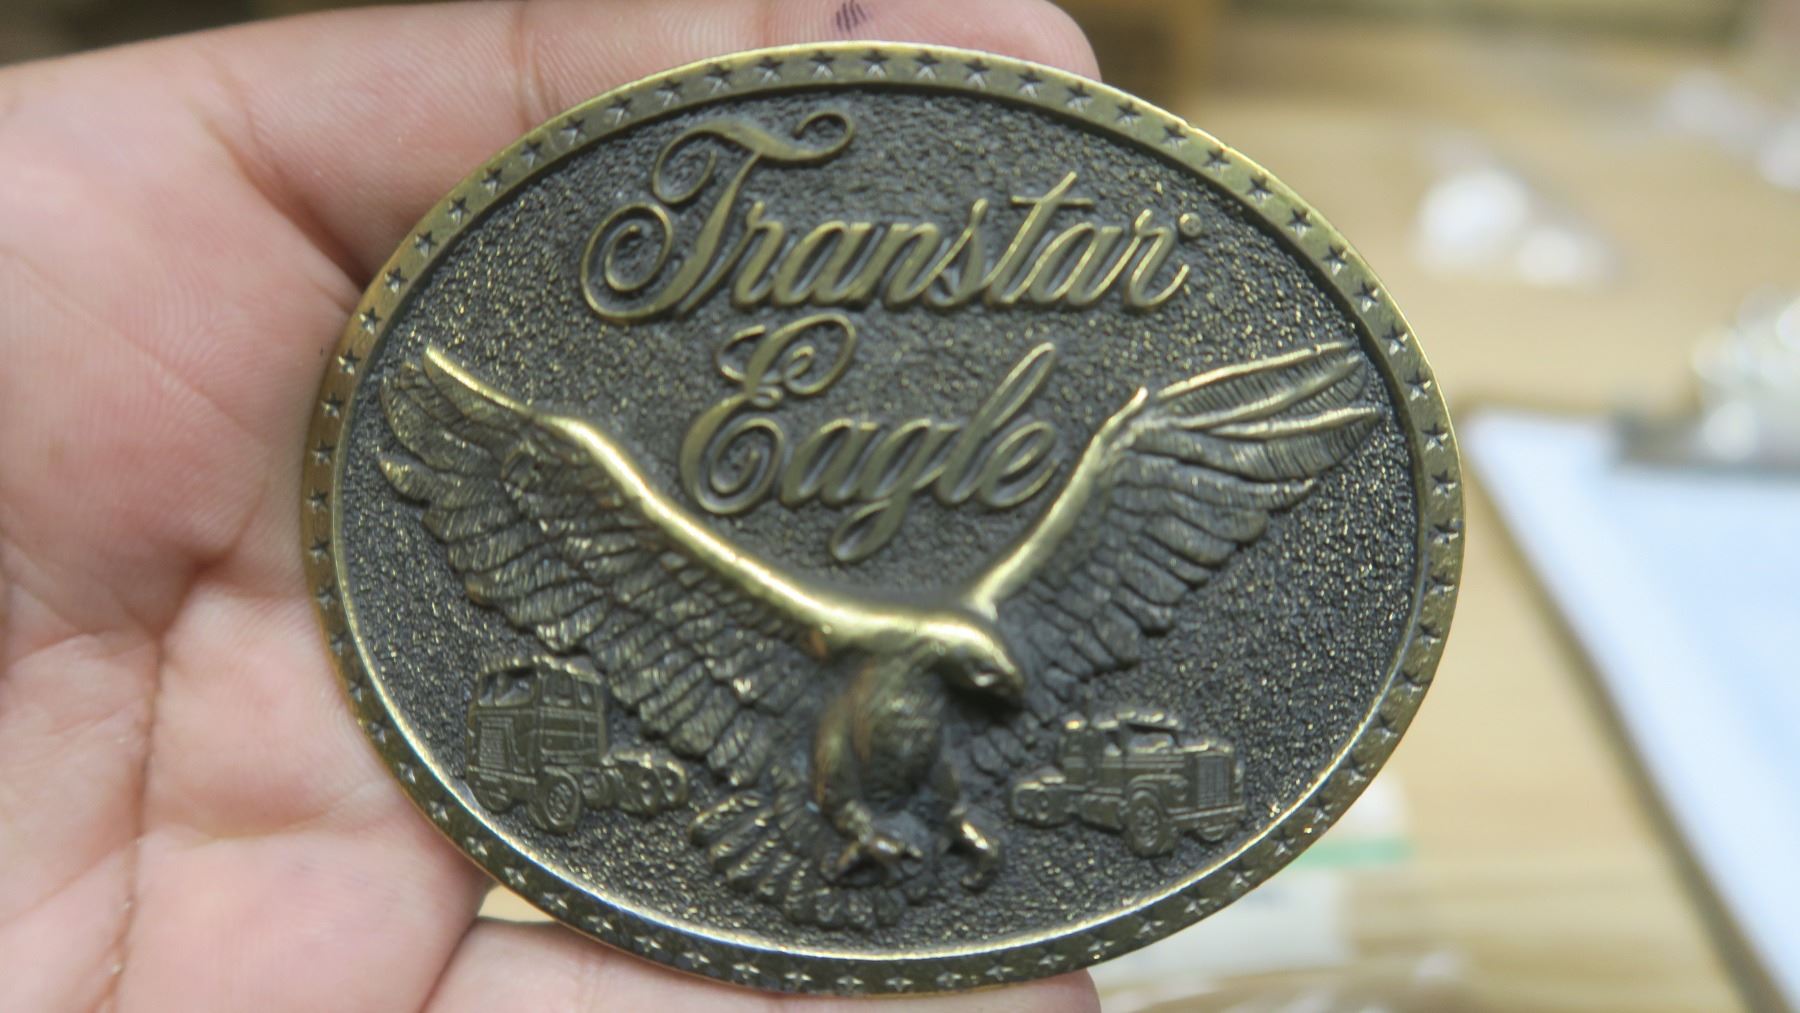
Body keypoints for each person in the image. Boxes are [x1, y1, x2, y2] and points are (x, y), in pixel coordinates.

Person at [0, 1, 1101, 1009]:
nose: (994, 682)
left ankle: (921, 825)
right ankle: (860, 827)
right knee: (566, 468)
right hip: (789, 814)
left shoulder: (947, 661)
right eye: (986, 675)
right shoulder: (834, 638)